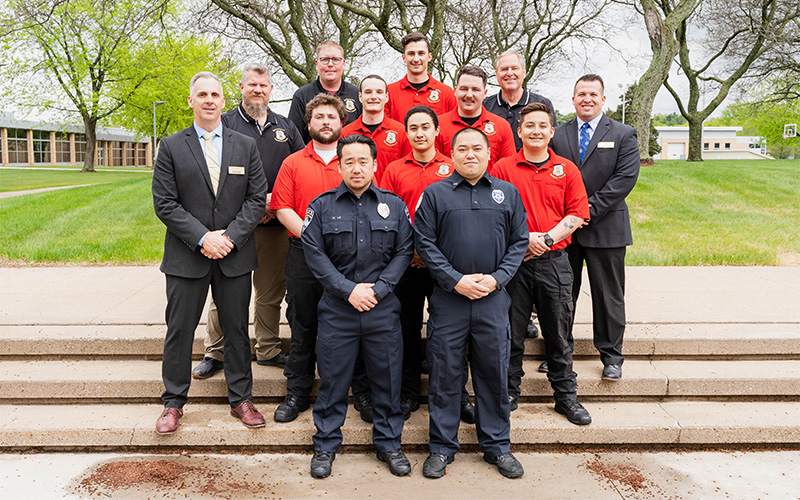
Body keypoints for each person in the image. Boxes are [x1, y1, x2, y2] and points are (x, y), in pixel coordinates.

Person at [152, 71, 267, 434]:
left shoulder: (244, 145)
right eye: (201, 94)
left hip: (233, 256)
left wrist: (228, 238)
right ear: (191, 101)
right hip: (187, 256)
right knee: (180, 330)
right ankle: (173, 403)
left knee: (235, 329)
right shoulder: (170, 146)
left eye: (215, 94)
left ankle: (241, 400)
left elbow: (256, 199)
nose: (209, 100)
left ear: (223, 99)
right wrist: (204, 238)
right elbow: (165, 204)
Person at [414, 127, 528, 479]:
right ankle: (442, 448)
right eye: (462, 149)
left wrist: (496, 279)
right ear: (452, 154)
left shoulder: (507, 193)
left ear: (488, 152)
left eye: (476, 148)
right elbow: (425, 243)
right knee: (446, 375)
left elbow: (519, 241)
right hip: (449, 300)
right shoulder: (434, 195)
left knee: (493, 374)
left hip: (493, 299)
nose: (470, 155)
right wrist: (456, 280)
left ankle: (497, 447)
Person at [302, 134, 414, 479]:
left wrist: (379, 290)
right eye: (348, 161)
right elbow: (315, 256)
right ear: (339, 165)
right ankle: (325, 445)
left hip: (382, 310)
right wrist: (348, 290)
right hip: (338, 310)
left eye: (363, 161)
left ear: (375, 164)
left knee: (387, 381)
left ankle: (389, 444)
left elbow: (404, 251)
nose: (356, 167)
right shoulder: (320, 206)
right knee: (334, 382)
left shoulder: (394, 206)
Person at [192, 63, 304, 380]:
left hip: (275, 223)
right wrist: (253, 204)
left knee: (270, 292)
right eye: (252, 85)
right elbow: (211, 172)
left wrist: (276, 203)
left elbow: (300, 167)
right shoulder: (224, 123)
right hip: (234, 225)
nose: (258, 90)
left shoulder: (286, 127)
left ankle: (267, 349)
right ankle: (215, 351)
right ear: (242, 87)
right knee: (226, 291)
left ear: (271, 89)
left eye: (263, 85)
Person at [270, 93, 371, 423]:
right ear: (309, 124)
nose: (325, 121)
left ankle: (362, 392)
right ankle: (297, 391)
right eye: (319, 117)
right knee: (302, 324)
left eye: (332, 116)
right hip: (304, 257)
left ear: (342, 123)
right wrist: (314, 239)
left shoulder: (355, 163)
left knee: (353, 325)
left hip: (349, 259)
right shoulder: (293, 162)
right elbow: (283, 207)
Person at [491, 102, 592, 426]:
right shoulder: (503, 169)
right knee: (511, 333)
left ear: (551, 131)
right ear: (519, 131)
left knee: (558, 333)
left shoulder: (567, 169)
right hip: (514, 264)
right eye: (529, 125)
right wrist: (524, 240)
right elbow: (494, 215)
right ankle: (508, 392)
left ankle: (566, 397)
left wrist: (546, 239)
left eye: (542, 126)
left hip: (554, 262)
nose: (535, 131)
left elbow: (577, 214)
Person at [549, 74, 640, 381]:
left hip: (607, 227)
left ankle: (612, 356)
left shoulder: (624, 134)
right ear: (572, 99)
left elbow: (624, 179)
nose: (586, 99)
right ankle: (559, 352)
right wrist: (569, 217)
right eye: (580, 94)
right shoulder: (557, 136)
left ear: (603, 99)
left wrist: (586, 211)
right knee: (561, 295)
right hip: (565, 232)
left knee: (608, 296)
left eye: (592, 94)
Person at [380, 105, 454, 420]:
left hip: (445, 266)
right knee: (406, 330)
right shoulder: (394, 170)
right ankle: (409, 391)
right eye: (413, 128)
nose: (420, 133)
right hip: (406, 264)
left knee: (447, 332)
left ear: (437, 131)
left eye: (426, 127)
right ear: (406, 133)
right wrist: (411, 251)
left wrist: (433, 253)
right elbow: (387, 215)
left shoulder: (452, 167)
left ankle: (453, 393)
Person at [436, 66, 516, 168]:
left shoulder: (501, 126)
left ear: (484, 94)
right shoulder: (438, 126)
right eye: (464, 89)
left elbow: (507, 169)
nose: (469, 95)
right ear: (455, 91)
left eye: (475, 90)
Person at [341, 75, 410, 185]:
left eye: (379, 92)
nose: (374, 96)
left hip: (391, 198)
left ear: (386, 97)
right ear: (360, 96)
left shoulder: (401, 132)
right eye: (368, 92)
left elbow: (407, 171)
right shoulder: (345, 133)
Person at [288, 41, 361, 143]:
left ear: (343, 64)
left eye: (336, 59)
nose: (330, 64)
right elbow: (295, 138)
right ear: (317, 64)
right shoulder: (302, 95)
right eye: (325, 60)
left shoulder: (357, 95)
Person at [484, 50, 556, 151]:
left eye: (514, 68)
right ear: (496, 74)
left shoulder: (543, 104)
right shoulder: (485, 106)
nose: (509, 73)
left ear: (524, 72)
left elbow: (551, 144)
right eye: (504, 69)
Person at [385, 32, 456, 122]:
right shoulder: (389, 92)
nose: (416, 59)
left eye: (421, 53)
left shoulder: (446, 93)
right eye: (411, 54)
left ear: (429, 57)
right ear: (404, 58)